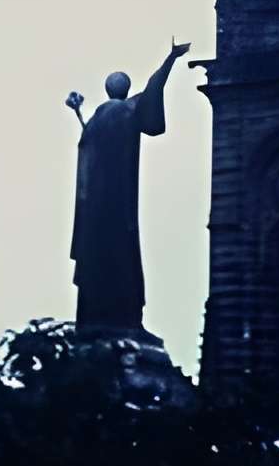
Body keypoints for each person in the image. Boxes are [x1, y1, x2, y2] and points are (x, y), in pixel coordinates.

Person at [68, 40, 189, 339]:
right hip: (119, 205)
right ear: (124, 89)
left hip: (95, 210)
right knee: (122, 258)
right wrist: (170, 59)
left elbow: (87, 150)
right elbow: (153, 89)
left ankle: (94, 319)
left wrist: (80, 112)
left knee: (98, 258)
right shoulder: (127, 112)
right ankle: (126, 319)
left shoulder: (97, 119)